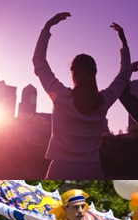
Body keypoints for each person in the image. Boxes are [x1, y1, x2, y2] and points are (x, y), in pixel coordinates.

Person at [32, 12, 131, 179]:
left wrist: (47, 27)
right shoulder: (103, 101)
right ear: (94, 73)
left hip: (60, 168)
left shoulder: (61, 95)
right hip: (92, 169)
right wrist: (124, 42)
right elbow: (124, 75)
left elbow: (39, 61)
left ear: (73, 73)